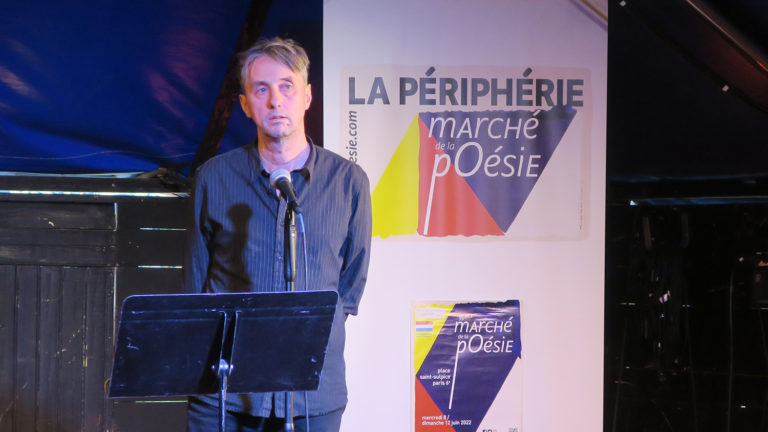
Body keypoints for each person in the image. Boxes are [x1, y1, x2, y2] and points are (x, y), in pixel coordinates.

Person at [183, 37, 372, 432]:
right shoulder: (214, 178)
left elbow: (348, 288)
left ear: (307, 96)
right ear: (245, 104)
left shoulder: (348, 182)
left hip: (312, 396)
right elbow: (196, 286)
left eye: (287, 87)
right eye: (261, 89)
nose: (275, 101)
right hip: (225, 395)